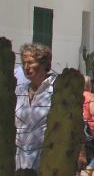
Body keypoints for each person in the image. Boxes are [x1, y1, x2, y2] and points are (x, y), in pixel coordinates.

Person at [15, 43, 57, 173]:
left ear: (45, 64)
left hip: (47, 164)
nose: (26, 67)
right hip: (20, 164)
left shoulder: (58, 89)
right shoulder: (19, 91)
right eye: (24, 63)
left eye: (31, 62)